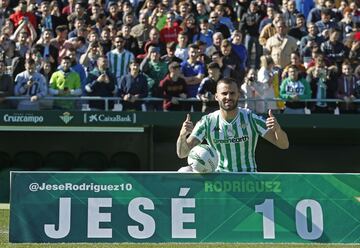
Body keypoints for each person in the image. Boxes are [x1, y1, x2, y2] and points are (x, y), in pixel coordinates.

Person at [176, 78, 289, 173]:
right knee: (184, 171)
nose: (228, 97)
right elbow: (182, 153)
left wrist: (277, 130)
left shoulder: (250, 118)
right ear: (216, 96)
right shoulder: (207, 121)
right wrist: (182, 135)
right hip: (220, 179)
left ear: (238, 95)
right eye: (224, 93)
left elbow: (284, 145)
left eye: (232, 93)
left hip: (247, 179)